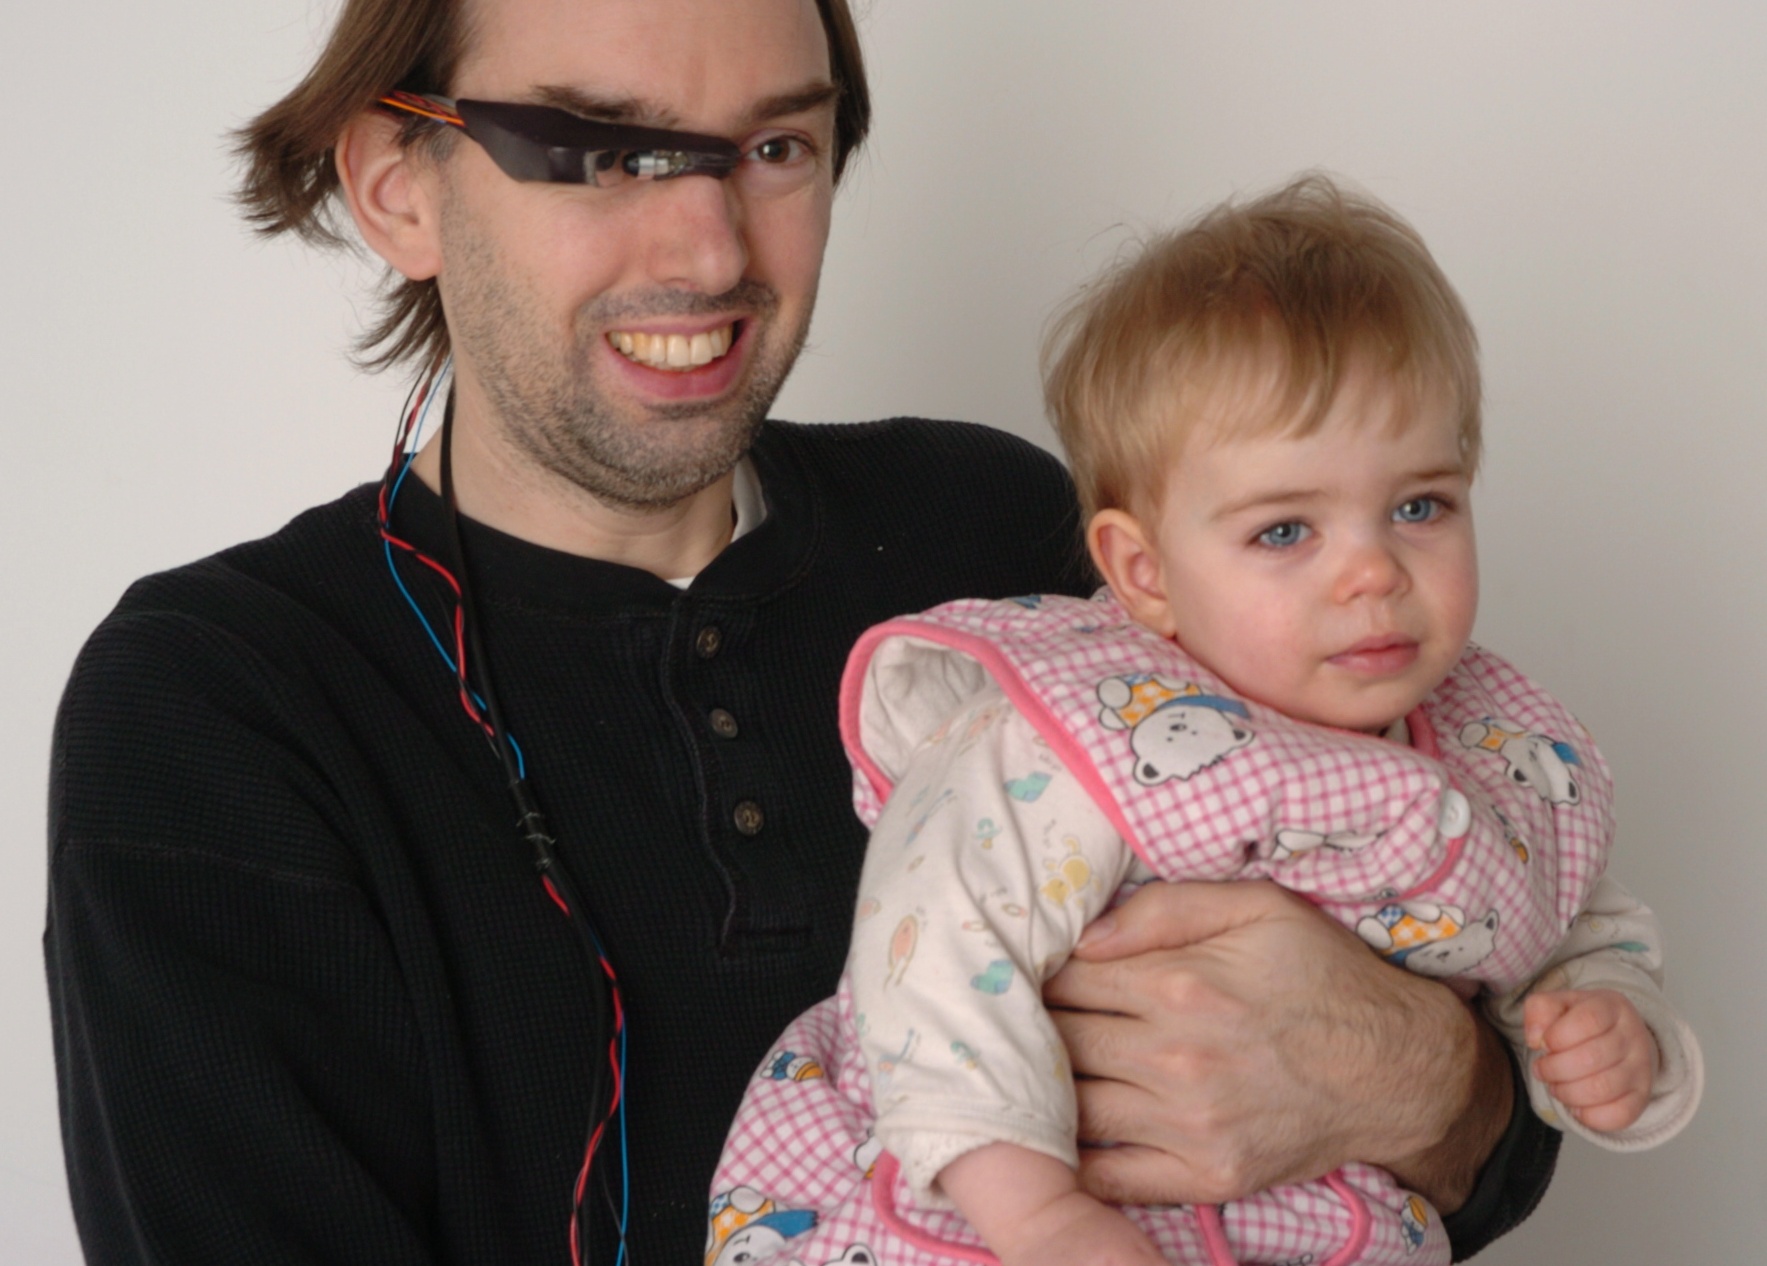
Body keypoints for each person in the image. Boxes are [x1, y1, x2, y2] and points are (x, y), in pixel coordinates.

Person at [46, 2, 1570, 1263]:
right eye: (606, 150)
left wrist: (1421, 1080)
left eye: (775, 147)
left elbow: (1462, 1105)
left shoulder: (1008, 536)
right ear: (399, 186)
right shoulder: (217, 709)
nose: (712, 250)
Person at [709, 176, 1701, 1266]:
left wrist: (1611, 1022)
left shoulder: (1495, 752)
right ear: (1144, 573)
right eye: (1285, 531)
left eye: (1418, 506)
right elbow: (935, 952)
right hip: (992, 1210)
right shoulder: (1068, 738)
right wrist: (1039, 1217)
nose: (1373, 571)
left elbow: (1568, 915)